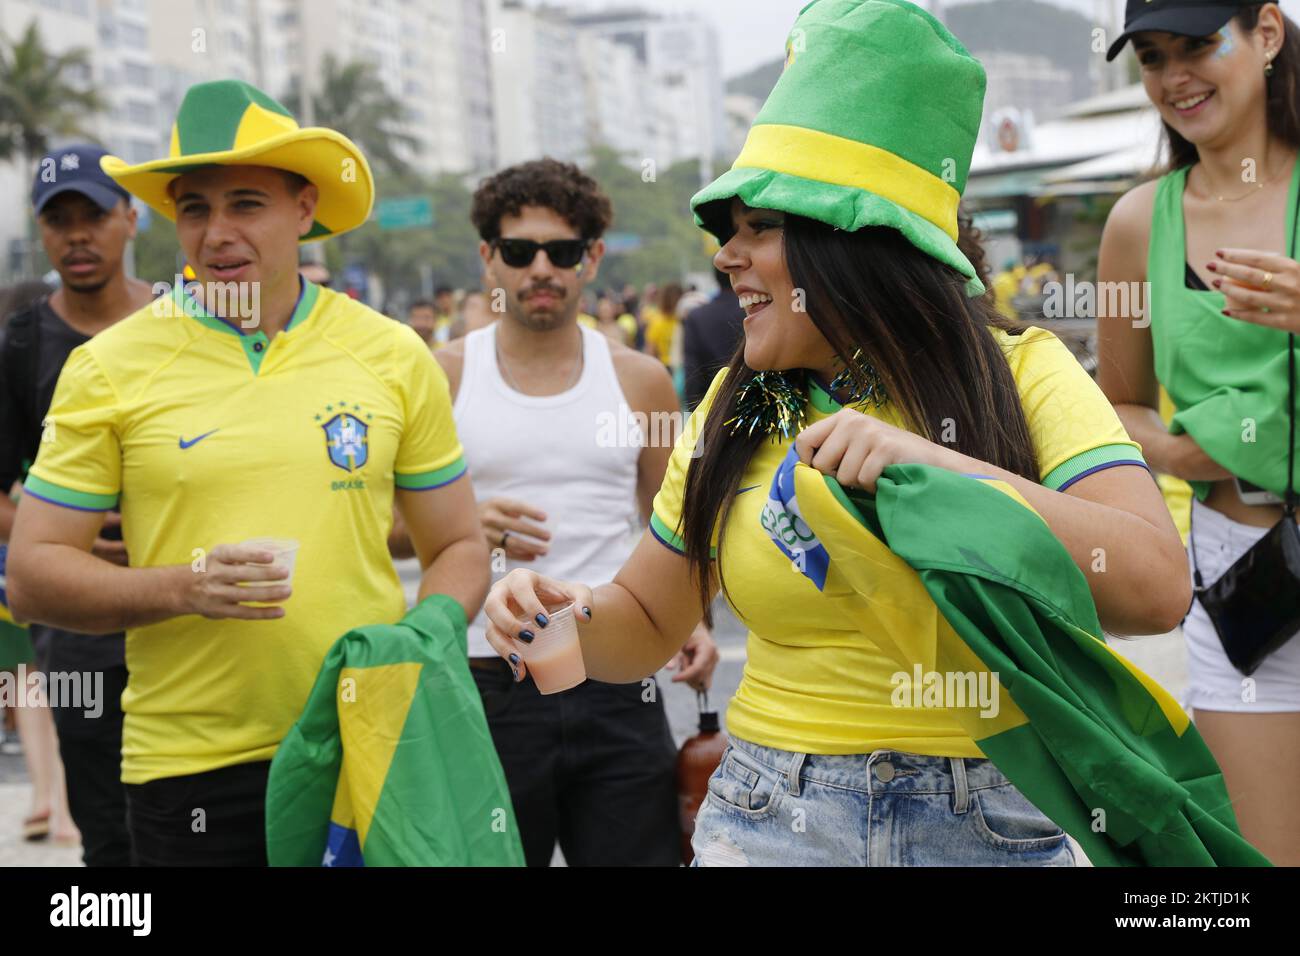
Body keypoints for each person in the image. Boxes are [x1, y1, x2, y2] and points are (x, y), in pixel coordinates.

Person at [481, 0, 1190, 867]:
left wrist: (945, 471)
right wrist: (557, 615)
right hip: (765, 819)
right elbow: (642, 622)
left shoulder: (1023, 374)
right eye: (726, 232)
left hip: (995, 823)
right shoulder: (732, 409)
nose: (724, 258)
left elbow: (1153, 587)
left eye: (760, 229)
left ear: (861, 244)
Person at [6, 80, 490, 867]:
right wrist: (185, 588)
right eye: (194, 208)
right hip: (188, 769)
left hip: (360, 747)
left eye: (245, 204)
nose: (217, 232)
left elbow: (460, 546)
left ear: (305, 210)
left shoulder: (393, 352)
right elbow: (32, 576)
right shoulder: (109, 367)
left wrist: (416, 643)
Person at [428, 158, 718, 867]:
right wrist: (467, 524)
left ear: (591, 259)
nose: (541, 270)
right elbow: (392, 534)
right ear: (488, 259)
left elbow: (672, 522)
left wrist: (696, 627)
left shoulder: (639, 380)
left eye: (561, 252)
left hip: (614, 668)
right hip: (486, 676)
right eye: (520, 251)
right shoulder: (443, 375)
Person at [1098, 0, 1300, 864]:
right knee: (1260, 856)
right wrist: (1181, 453)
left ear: (1265, 34)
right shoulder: (1138, 223)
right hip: (1243, 573)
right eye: (1152, 56)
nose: (1175, 77)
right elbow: (1118, 409)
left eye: (1196, 47)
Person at [0, 145, 157, 864]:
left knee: (205, 816)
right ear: (42, 235)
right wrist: (69, 545)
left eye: (93, 216)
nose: (76, 236)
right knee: (107, 828)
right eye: (58, 221)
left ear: (131, 219)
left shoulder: (190, 322)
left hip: (191, 618)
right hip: (77, 632)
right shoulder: (21, 345)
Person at [682, 268, 744, 410]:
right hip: (759, 405)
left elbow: (692, 372)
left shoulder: (697, 317)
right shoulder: (753, 310)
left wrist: (696, 414)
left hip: (713, 408)